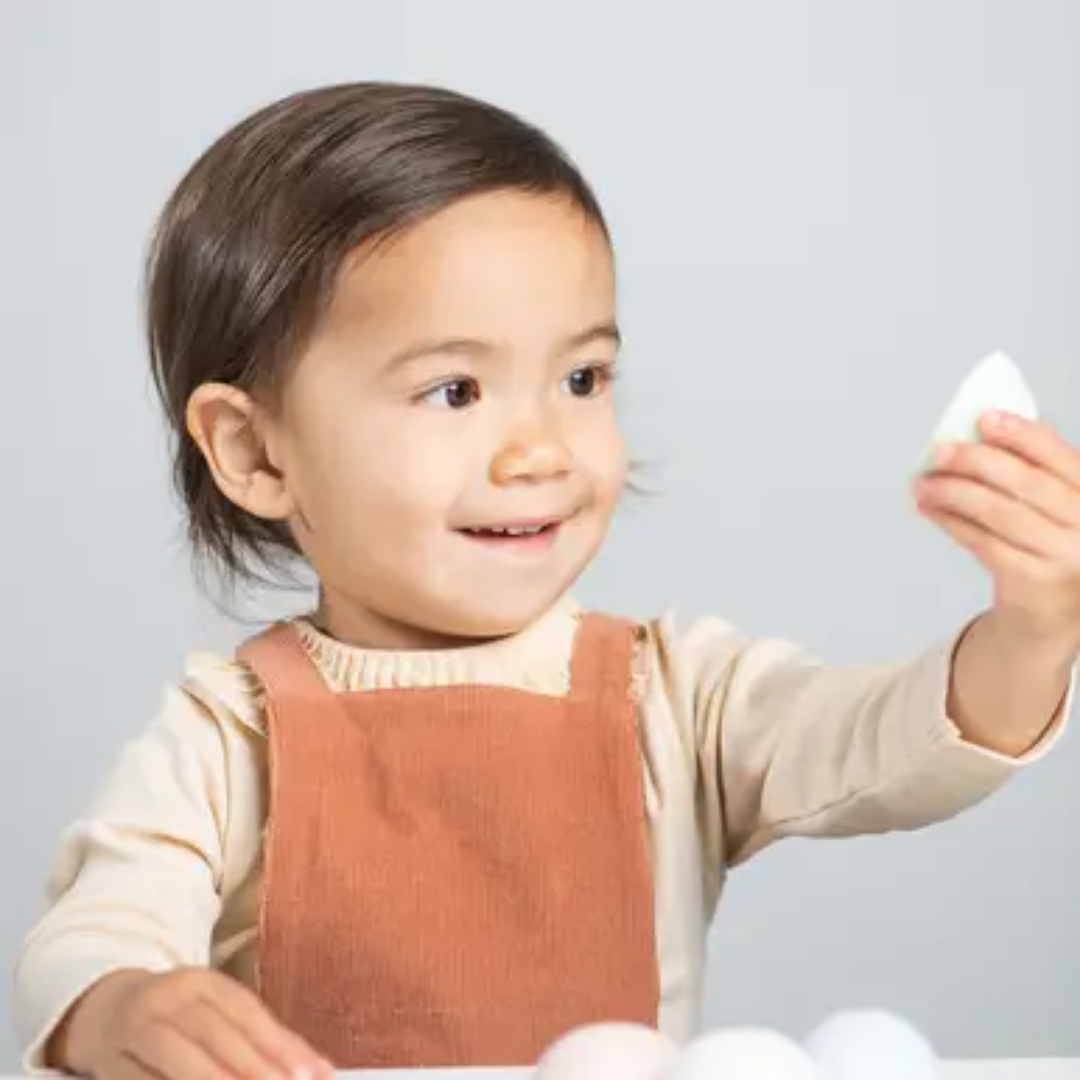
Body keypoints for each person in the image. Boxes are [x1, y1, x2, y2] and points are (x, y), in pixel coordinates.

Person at [13, 81, 1079, 1080]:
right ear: (254, 452)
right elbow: (103, 922)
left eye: (582, 378)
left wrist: (1033, 629)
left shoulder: (672, 693)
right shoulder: (227, 735)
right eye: (455, 389)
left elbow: (884, 742)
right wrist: (121, 1004)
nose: (540, 450)